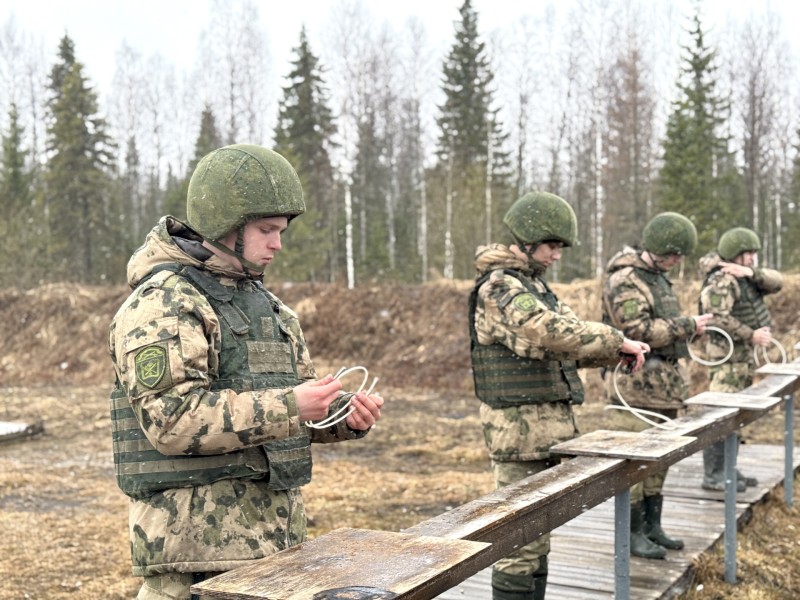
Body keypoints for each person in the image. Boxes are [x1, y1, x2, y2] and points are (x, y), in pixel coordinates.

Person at [108, 144, 384, 600]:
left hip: (273, 546)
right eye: (266, 229)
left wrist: (340, 415)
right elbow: (173, 421)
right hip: (194, 558)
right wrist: (293, 404)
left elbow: (287, 408)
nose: (277, 243)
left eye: (281, 231)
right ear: (224, 226)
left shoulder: (269, 308)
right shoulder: (165, 304)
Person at [469, 191, 649, 600]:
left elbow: (562, 341)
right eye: (552, 246)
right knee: (517, 544)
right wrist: (615, 339)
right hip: (518, 438)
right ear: (529, 241)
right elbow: (545, 330)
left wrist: (615, 351)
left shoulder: (532, 286)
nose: (557, 256)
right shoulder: (499, 287)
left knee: (538, 538)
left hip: (548, 433)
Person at [601, 212, 713, 560]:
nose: (678, 261)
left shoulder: (658, 278)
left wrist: (687, 329)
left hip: (663, 386)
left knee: (658, 463)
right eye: (674, 254)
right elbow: (635, 330)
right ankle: (632, 533)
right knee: (633, 464)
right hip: (635, 387)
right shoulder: (626, 279)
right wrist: (686, 325)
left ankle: (652, 527)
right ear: (658, 248)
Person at [698, 227, 783, 492]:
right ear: (735, 254)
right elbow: (717, 317)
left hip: (741, 359)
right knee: (720, 416)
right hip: (726, 360)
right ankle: (714, 474)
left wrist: (751, 273)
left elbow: (777, 282)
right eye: (748, 254)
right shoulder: (722, 280)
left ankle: (728, 470)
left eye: (754, 253)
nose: (752, 258)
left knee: (734, 417)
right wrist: (751, 334)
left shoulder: (745, 277)